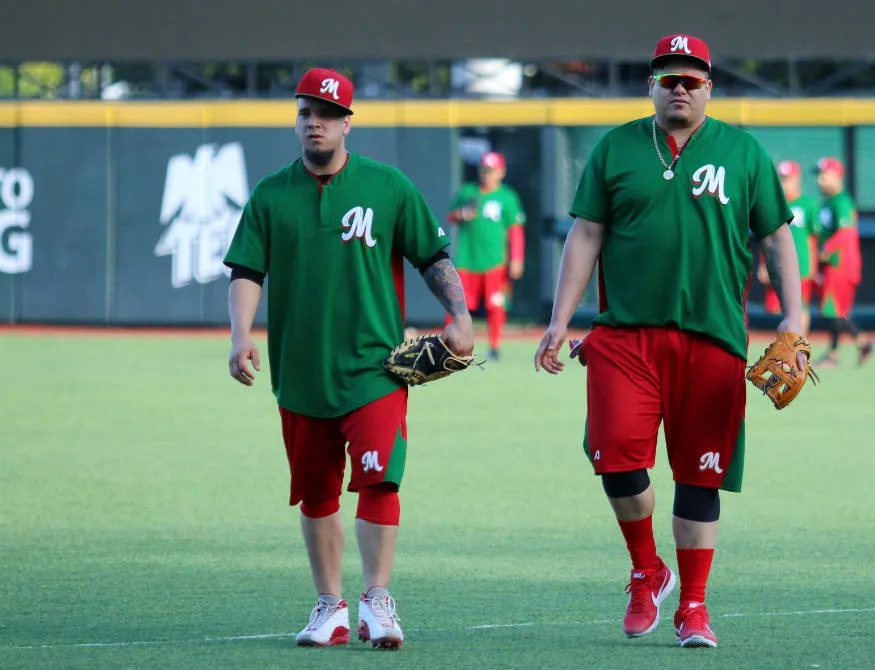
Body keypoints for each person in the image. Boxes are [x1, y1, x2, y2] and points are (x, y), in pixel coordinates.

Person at [534, 33, 807, 649]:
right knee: (614, 457)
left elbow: (777, 239)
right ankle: (645, 570)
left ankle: (693, 605)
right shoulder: (616, 147)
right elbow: (585, 235)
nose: (679, 87)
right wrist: (560, 320)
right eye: (668, 78)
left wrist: (794, 315)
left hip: (711, 338)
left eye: (691, 79)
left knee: (699, 477)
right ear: (651, 85)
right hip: (625, 335)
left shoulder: (742, 152)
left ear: (710, 86)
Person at [223, 67, 474, 651]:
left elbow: (432, 256)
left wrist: (460, 316)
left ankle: (377, 601)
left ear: (347, 124)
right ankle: (330, 605)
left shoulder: (386, 186)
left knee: (379, 480)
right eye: (306, 112)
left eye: (328, 114)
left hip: (376, 368)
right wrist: (240, 334)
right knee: (316, 493)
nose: (315, 122)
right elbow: (246, 271)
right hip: (300, 371)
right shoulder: (270, 193)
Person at [445, 151, 526, 360]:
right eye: (484, 171)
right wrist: (462, 214)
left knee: (495, 304)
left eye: (492, 171)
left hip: (495, 261)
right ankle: (450, 346)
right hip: (467, 259)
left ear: (501, 172)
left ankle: (494, 347)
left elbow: (515, 230)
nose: (487, 175)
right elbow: (451, 215)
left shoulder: (507, 197)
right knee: (459, 305)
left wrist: (516, 259)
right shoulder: (468, 192)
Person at [814, 157, 874, 366]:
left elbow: (847, 233)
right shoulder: (825, 203)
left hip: (841, 264)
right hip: (829, 265)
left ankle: (836, 352)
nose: (820, 180)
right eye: (819, 176)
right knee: (834, 312)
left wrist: (826, 251)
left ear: (837, 177)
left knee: (832, 311)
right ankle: (860, 343)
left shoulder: (842, 201)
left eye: (824, 175)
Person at [757, 159, 821, 335]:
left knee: (801, 306)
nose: (784, 183)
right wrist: (763, 265)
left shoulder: (808, 204)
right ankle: (784, 347)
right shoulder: (774, 203)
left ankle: (799, 346)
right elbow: (766, 236)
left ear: (797, 179)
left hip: (802, 263)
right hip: (778, 262)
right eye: (781, 179)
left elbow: (813, 239)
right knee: (778, 307)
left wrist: (813, 266)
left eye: (787, 179)